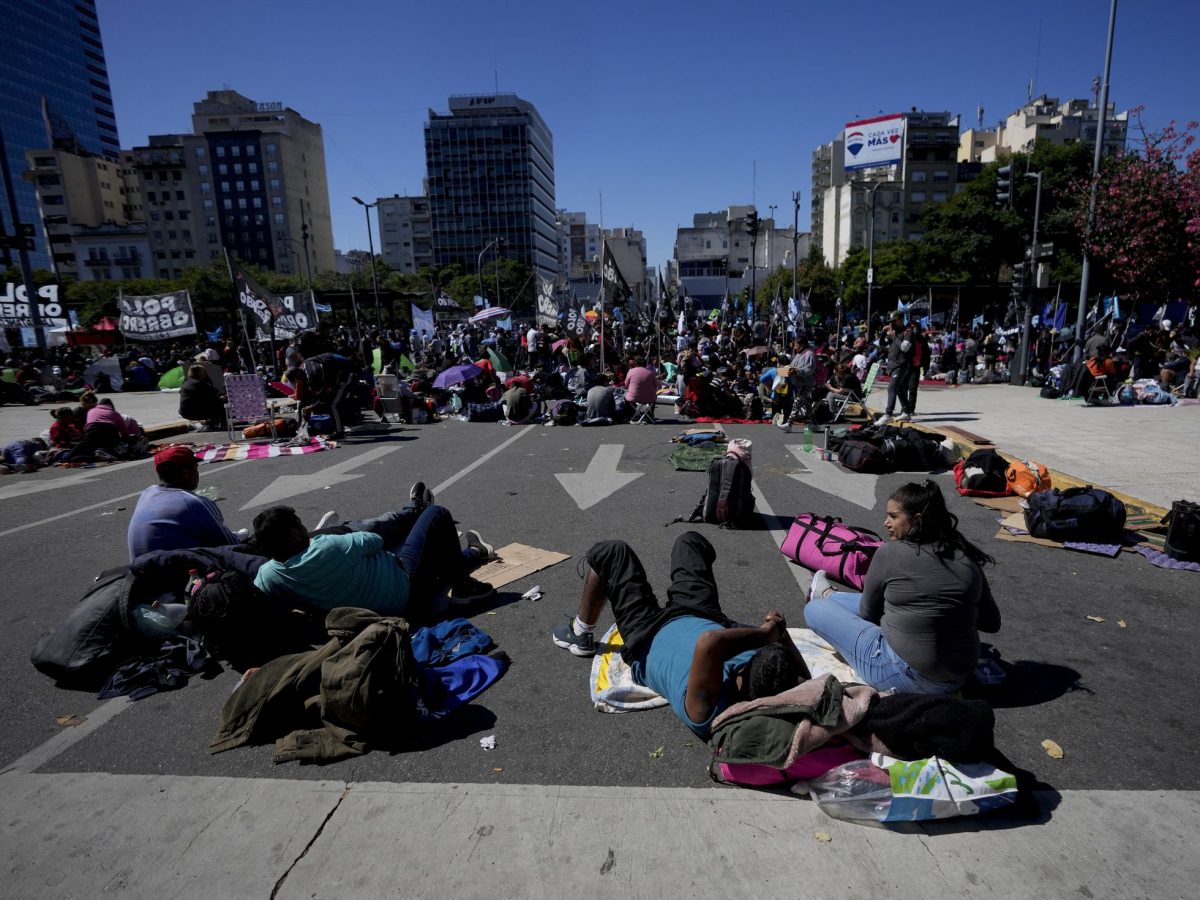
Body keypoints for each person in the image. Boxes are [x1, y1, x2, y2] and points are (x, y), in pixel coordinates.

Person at [551, 532, 811, 739]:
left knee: (611, 553)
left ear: (743, 675)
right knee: (690, 542)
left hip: (647, 634)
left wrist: (767, 634)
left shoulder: (709, 704)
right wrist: (782, 637)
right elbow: (805, 680)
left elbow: (710, 644)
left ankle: (580, 632)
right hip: (703, 616)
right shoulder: (774, 678)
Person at [805, 481, 1000, 694]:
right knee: (895, 601)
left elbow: (868, 612)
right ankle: (829, 594)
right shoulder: (966, 558)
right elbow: (991, 623)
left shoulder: (890, 553)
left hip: (904, 675)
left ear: (916, 520)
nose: (886, 522)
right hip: (958, 677)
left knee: (815, 609)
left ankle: (825, 597)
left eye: (894, 516)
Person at [251, 500, 497, 619]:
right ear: (294, 533)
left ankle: (476, 553)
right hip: (406, 588)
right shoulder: (328, 546)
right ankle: (464, 587)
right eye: (300, 524)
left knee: (431, 556)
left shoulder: (268, 576)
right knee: (436, 514)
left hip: (367, 617)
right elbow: (375, 541)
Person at [127, 446, 242, 560]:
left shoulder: (147, 493)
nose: (197, 474)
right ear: (186, 472)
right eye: (195, 468)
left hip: (140, 572)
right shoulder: (193, 502)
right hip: (179, 574)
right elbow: (230, 544)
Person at [876, 321, 915, 424]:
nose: (890, 326)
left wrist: (894, 337)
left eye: (891, 324)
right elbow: (881, 344)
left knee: (892, 388)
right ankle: (906, 412)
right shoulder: (895, 335)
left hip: (901, 365)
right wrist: (883, 333)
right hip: (893, 367)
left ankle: (888, 414)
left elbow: (904, 348)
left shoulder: (908, 333)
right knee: (899, 390)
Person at [179, 364, 226, 429]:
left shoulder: (187, 382)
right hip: (193, 412)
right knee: (220, 403)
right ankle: (220, 424)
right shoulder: (198, 384)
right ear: (201, 373)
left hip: (185, 411)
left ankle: (213, 422)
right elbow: (212, 395)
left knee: (215, 402)